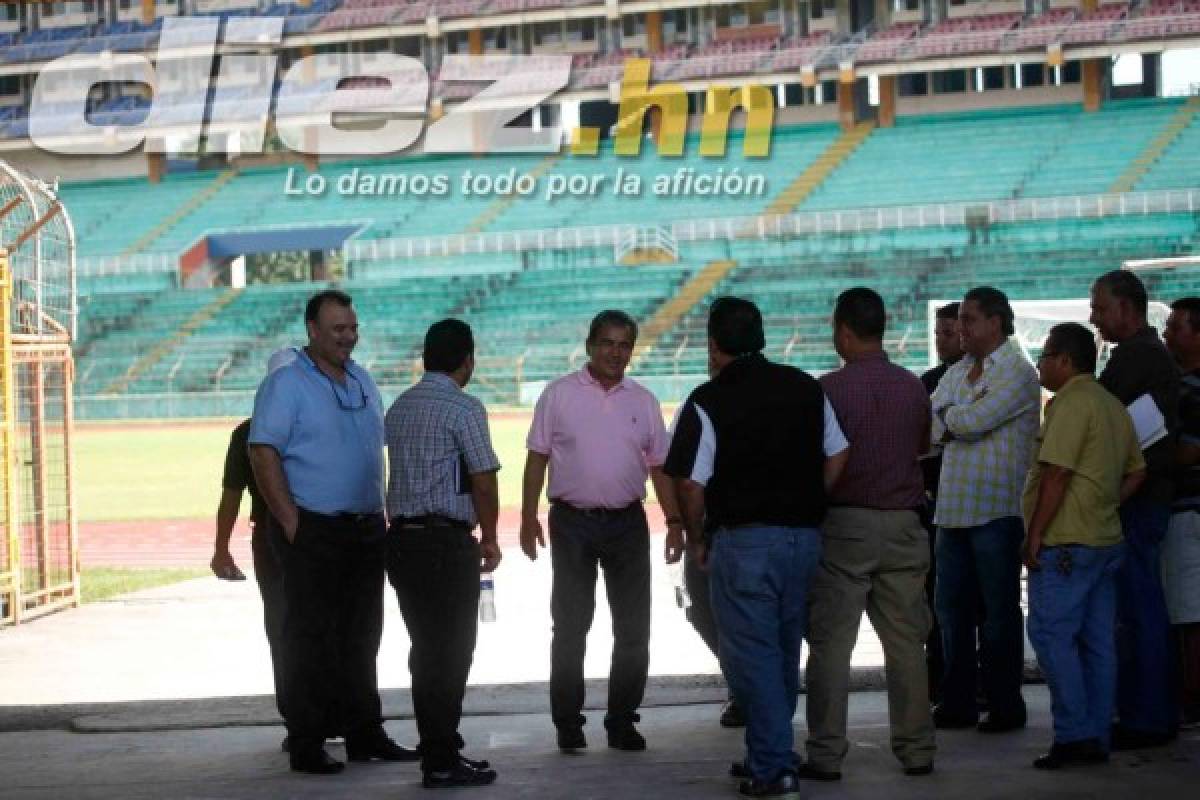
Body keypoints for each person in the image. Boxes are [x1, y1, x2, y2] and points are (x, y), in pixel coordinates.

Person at [665, 297, 849, 798]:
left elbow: (690, 485)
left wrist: (698, 537)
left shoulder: (706, 400)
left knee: (753, 657)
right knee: (783, 650)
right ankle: (771, 752)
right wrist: (810, 500)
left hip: (744, 543)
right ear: (762, 338)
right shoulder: (804, 387)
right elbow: (838, 453)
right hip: (804, 540)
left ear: (714, 344)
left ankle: (772, 768)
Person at [249, 289, 415, 775]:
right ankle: (307, 740)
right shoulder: (287, 383)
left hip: (365, 529)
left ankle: (364, 733)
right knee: (310, 639)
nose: (348, 336)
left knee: (363, 636)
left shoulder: (362, 379)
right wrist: (290, 519)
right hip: (313, 529)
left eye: (353, 327)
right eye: (338, 329)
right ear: (313, 331)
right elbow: (263, 451)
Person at [519, 310, 680, 754]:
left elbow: (659, 467)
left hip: (628, 523)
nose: (615, 352)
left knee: (633, 628)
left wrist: (675, 521)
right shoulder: (558, 395)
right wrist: (530, 516)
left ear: (632, 349)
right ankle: (568, 722)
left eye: (624, 344)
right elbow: (537, 458)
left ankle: (622, 720)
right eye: (607, 343)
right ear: (589, 345)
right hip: (572, 523)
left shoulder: (643, 401)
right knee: (570, 626)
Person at [805, 288, 936, 780]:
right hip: (904, 522)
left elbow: (820, 457)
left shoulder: (829, 389)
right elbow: (921, 446)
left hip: (846, 525)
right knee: (905, 643)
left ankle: (825, 752)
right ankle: (917, 748)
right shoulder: (911, 386)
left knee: (832, 644)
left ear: (842, 331)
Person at [385, 319, 502, 789]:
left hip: (403, 541)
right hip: (445, 542)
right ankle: (439, 756)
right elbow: (483, 477)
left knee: (426, 650)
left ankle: (440, 747)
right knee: (452, 652)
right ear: (467, 359)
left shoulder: (399, 407)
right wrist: (490, 536)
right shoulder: (465, 408)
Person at [1023, 323, 1145, 769]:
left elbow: (1056, 475)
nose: (1039, 363)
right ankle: (1095, 734)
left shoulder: (1071, 404)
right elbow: (1137, 471)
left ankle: (1074, 735)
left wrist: (1035, 534)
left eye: (1045, 355)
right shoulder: (1112, 406)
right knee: (1096, 643)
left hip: (1068, 543)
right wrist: (1105, 502)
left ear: (1064, 361)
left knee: (1052, 637)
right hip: (1105, 539)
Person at [930, 287, 1040, 733]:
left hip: (996, 512)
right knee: (950, 614)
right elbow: (933, 420)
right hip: (952, 511)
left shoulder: (1018, 371)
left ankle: (1004, 703)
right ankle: (958, 703)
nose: (961, 328)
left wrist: (955, 418)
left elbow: (966, 422)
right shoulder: (957, 371)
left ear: (996, 322)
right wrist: (958, 418)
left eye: (969, 319)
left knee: (998, 615)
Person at [1090, 269, 1180, 749]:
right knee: (1138, 609)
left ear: (1126, 308)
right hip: (1141, 498)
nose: (1095, 318)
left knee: (1137, 610)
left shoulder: (1138, 358)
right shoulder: (1140, 356)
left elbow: (1110, 428)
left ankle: (1147, 717)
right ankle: (1148, 713)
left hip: (1137, 500)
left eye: (1101, 308)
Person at [210, 348, 298, 749]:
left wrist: (222, 547)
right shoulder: (311, 420)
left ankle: (299, 719)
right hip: (314, 533)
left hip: (268, 538)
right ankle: (328, 713)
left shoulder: (246, 432)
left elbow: (231, 495)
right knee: (329, 624)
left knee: (283, 627)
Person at [919, 302, 963, 702]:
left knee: (979, 606)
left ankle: (973, 682)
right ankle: (941, 681)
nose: (941, 341)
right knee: (936, 600)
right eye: (938, 334)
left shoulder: (998, 381)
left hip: (978, 508)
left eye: (948, 333)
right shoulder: (927, 382)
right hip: (935, 507)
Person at [1160, 298, 1200, 728]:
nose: (1168, 334)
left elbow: (1189, 451)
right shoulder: (1181, 382)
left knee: (1189, 613)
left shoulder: (1194, 387)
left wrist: (1148, 459)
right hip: (1184, 510)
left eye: (1176, 327)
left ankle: (1192, 697)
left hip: (1189, 512)